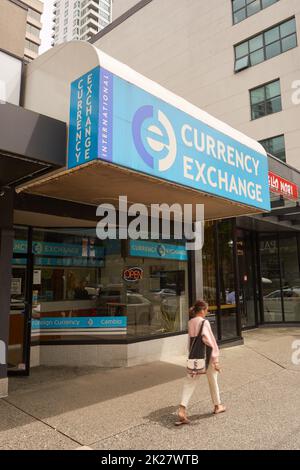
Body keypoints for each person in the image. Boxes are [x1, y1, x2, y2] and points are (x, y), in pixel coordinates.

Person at [176, 300, 226, 425]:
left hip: (195, 357)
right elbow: (210, 341)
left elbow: (190, 342)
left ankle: (182, 408)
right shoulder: (204, 322)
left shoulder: (190, 322)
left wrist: (191, 355)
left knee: (189, 382)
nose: (207, 312)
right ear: (202, 310)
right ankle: (217, 405)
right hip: (206, 357)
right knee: (213, 379)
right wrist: (216, 360)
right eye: (207, 310)